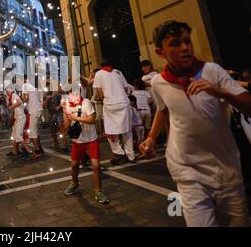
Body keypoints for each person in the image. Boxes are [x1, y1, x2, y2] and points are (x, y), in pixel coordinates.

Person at [140, 20, 251, 227]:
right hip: (187, 169)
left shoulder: (213, 71)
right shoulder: (158, 82)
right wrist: (151, 138)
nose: (184, 48)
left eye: (187, 41)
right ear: (159, 52)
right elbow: (163, 110)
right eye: (175, 44)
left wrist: (219, 92)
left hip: (226, 170)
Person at [62, 87, 110, 205]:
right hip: (77, 140)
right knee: (74, 165)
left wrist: (76, 118)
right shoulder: (67, 104)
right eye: (69, 93)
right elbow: (67, 125)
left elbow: (92, 119)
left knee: (96, 165)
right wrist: (64, 112)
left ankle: (98, 191)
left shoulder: (86, 102)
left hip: (90, 139)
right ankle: (74, 182)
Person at [93, 61, 136, 166]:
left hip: (110, 104)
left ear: (101, 66)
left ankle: (119, 152)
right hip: (124, 103)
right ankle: (131, 156)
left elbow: (99, 91)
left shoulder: (98, 74)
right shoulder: (118, 72)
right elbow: (126, 88)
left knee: (110, 130)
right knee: (127, 130)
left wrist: (104, 100)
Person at [5, 85, 31, 159]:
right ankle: (14, 152)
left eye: (7, 90)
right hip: (17, 118)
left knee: (19, 137)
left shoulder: (13, 95)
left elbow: (19, 102)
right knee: (14, 135)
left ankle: (29, 151)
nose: (6, 92)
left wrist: (11, 107)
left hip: (20, 118)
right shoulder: (11, 96)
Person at [22, 80, 44, 160]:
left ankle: (37, 151)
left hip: (34, 110)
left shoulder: (25, 85)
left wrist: (22, 102)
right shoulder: (34, 86)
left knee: (32, 132)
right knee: (36, 131)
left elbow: (26, 98)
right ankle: (40, 147)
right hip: (39, 109)